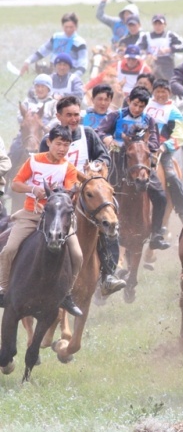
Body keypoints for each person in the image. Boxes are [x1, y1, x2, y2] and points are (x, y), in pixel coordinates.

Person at [37, 96, 125, 296]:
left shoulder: (89, 134)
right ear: (59, 116)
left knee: (111, 212)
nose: (74, 119)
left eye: (77, 114)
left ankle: (109, 274)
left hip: (88, 190)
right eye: (69, 115)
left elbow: (104, 157)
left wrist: (96, 167)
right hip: (59, 193)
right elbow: (43, 165)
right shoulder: (47, 140)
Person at [0, 126, 84, 316]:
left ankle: (67, 294)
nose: (62, 149)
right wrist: (33, 189)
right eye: (58, 144)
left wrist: (57, 193)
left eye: (66, 145)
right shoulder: (34, 161)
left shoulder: (69, 168)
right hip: (32, 213)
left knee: (78, 255)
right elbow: (15, 184)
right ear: (49, 143)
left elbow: (69, 192)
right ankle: (4, 289)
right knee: (9, 249)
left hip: (57, 217)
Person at [96, 86, 171, 250]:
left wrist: (142, 145)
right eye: (135, 104)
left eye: (141, 106)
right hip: (117, 159)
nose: (137, 109)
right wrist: (108, 139)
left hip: (139, 162)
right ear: (129, 101)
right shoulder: (116, 115)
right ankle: (97, 228)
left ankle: (156, 234)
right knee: (102, 192)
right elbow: (99, 131)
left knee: (160, 196)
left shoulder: (148, 120)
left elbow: (154, 143)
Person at [145, 80, 183, 222]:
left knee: (171, 177)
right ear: (153, 92)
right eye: (158, 91)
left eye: (164, 92)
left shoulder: (174, 112)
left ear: (169, 93)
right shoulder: (145, 105)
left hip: (162, 151)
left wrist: (165, 146)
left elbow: (179, 135)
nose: (160, 95)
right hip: (141, 147)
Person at [20, 13, 88, 78]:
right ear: (62, 26)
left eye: (71, 27)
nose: (68, 29)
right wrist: (28, 61)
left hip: (70, 75)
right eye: (66, 27)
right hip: (53, 73)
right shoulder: (56, 37)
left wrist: (74, 77)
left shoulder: (80, 42)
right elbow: (42, 51)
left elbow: (83, 64)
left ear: (76, 27)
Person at [140, 14, 183, 81]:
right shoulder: (146, 36)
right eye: (155, 24)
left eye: (160, 24)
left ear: (165, 24)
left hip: (167, 64)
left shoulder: (170, 35)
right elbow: (139, 49)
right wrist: (147, 56)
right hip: (152, 64)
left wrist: (170, 49)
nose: (158, 26)